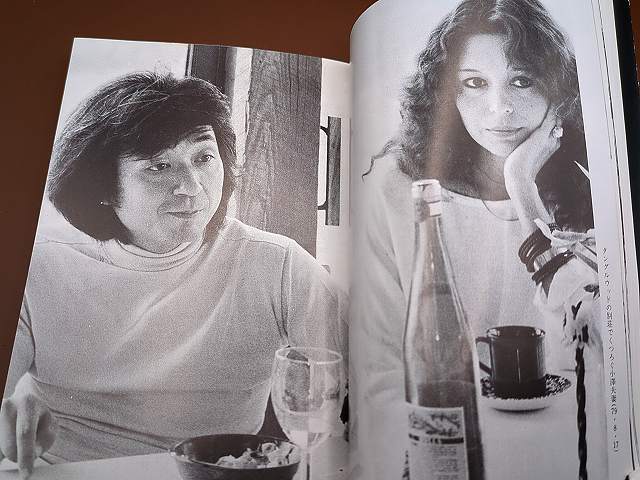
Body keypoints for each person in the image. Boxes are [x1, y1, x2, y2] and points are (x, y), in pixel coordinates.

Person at [0, 72, 347, 477]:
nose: (192, 187)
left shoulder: (277, 265)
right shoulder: (36, 267)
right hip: (65, 471)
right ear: (103, 187)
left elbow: (369, 375)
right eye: (159, 166)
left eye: (203, 158)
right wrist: (9, 414)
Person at [351, 0, 602, 478]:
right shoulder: (400, 192)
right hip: (445, 455)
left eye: (522, 80)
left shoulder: (597, 191)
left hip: (568, 453)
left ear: (559, 90)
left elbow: (599, 351)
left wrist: (520, 181)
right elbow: (380, 372)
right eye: (474, 83)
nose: (499, 108)